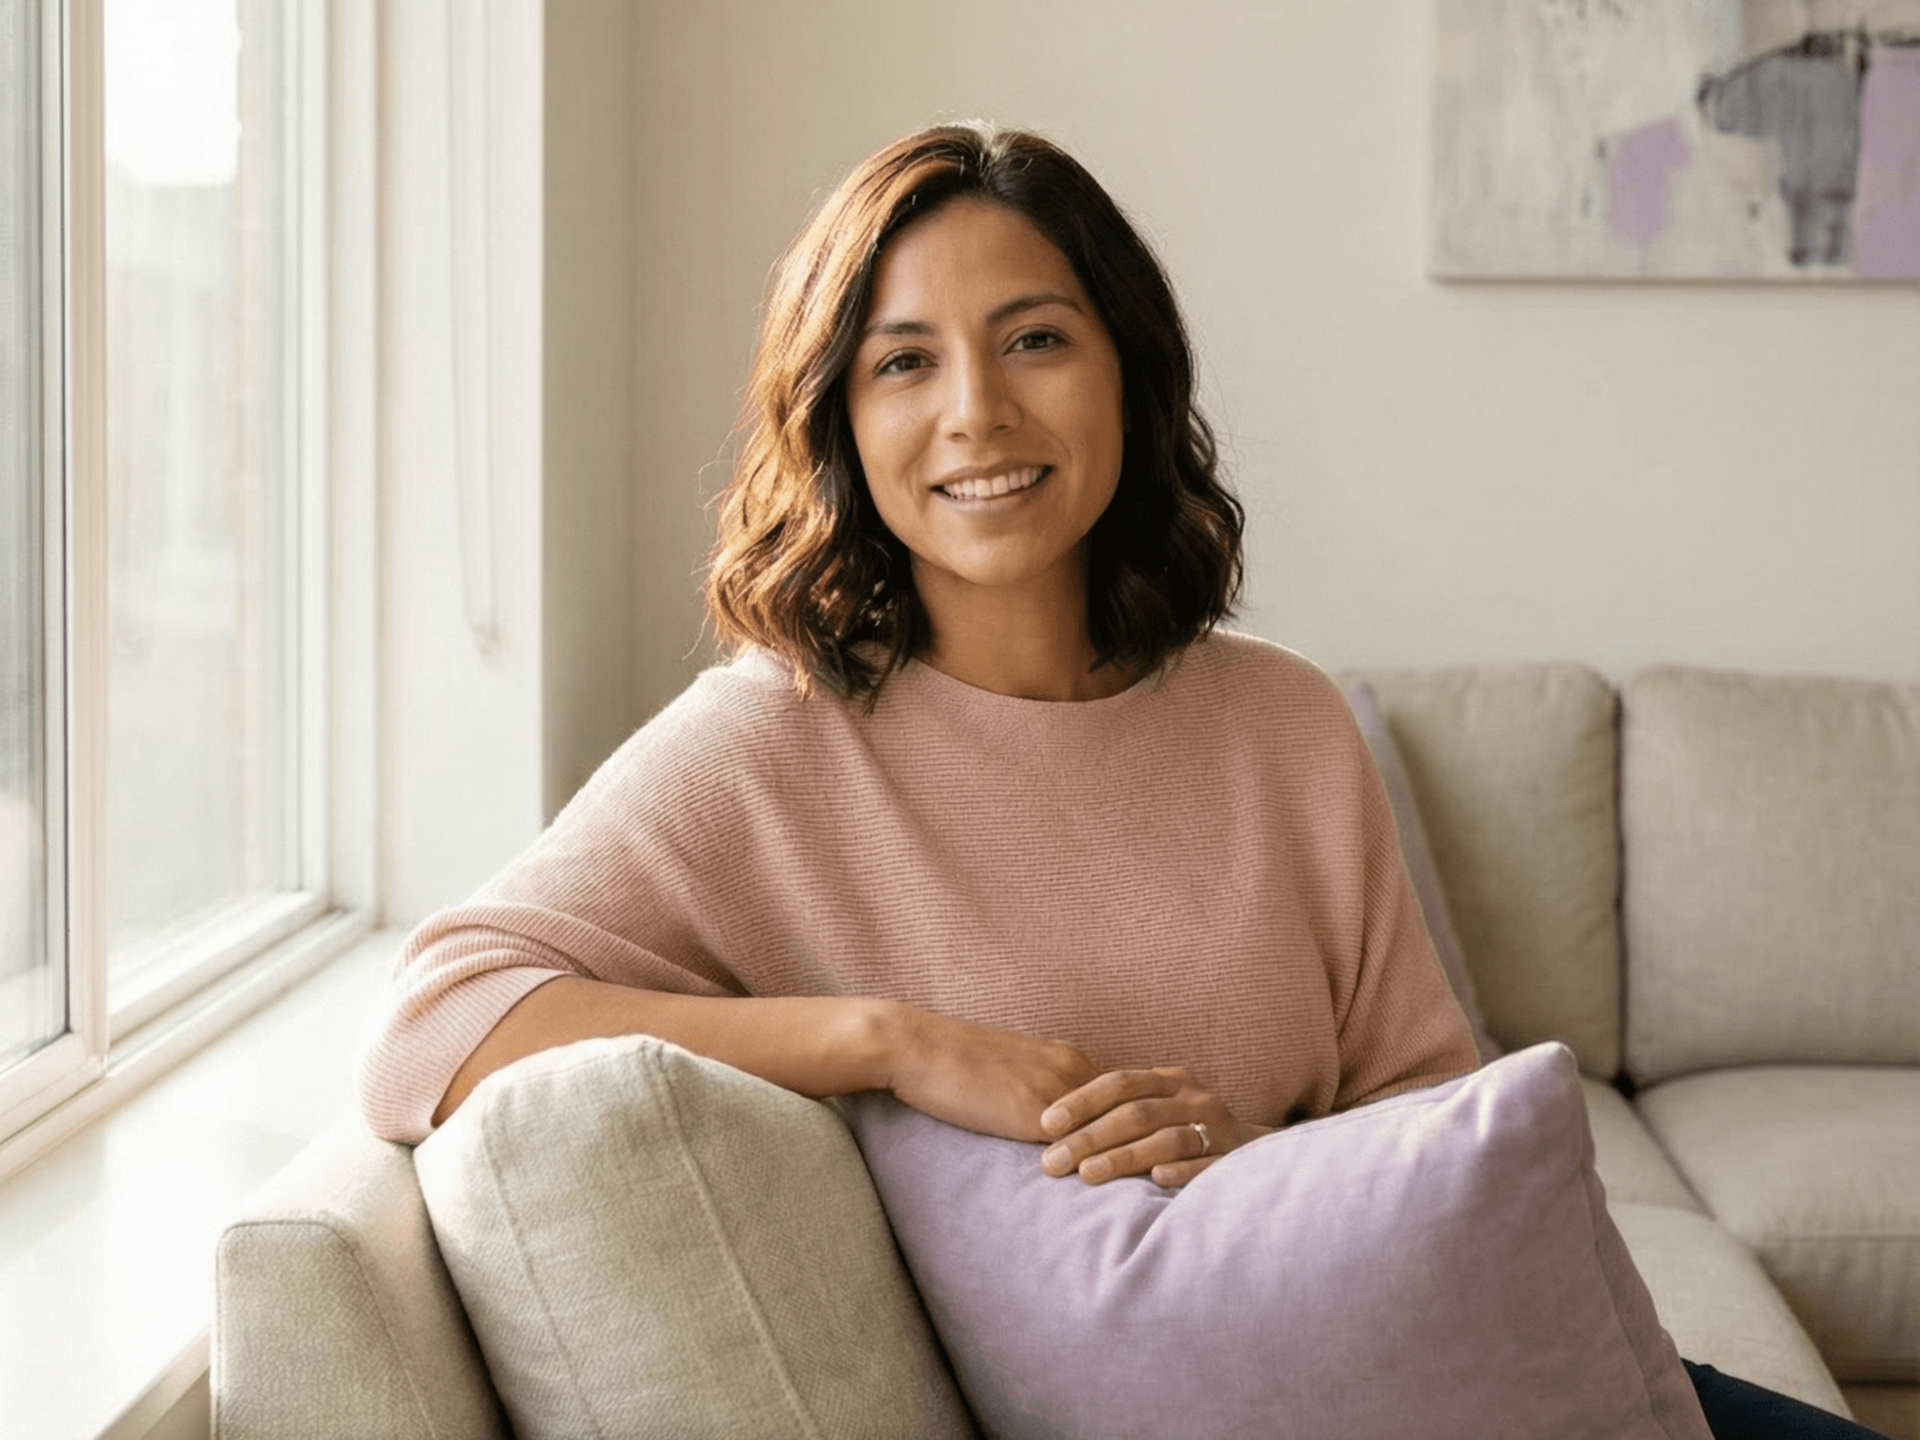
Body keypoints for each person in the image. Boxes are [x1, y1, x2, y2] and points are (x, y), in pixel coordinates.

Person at [357, 123, 1886, 1440]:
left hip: (1397, 1367)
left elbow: (1423, 1102)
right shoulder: (772, 741)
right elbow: (431, 1023)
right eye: (905, 362)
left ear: (1128, 374)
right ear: (841, 419)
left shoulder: (1284, 724)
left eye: (1034, 338)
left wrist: (1257, 1175)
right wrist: (896, 1045)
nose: (977, 413)